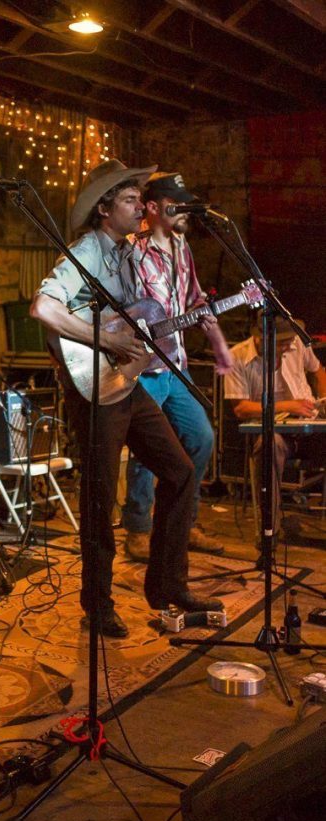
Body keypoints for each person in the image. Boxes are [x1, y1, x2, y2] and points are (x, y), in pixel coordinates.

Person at [30, 159, 223, 640]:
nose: (141, 204)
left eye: (141, 198)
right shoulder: (88, 249)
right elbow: (44, 307)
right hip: (94, 391)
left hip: (125, 384)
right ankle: (97, 604)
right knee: (99, 498)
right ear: (103, 208)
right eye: (131, 199)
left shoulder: (123, 254)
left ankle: (167, 586)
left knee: (180, 470)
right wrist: (106, 341)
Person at [121, 172, 233, 562]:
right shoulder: (132, 249)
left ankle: (184, 521)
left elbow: (196, 301)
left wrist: (219, 345)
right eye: (176, 203)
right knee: (145, 450)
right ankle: (137, 528)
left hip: (176, 364)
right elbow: (119, 304)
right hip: (142, 366)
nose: (183, 210)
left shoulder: (182, 247)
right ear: (153, 208)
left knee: (201, 437)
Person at [225, 314, 326, 537]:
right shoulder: (236, 357)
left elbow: (318, 371)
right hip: (277, 432)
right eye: (282, 343)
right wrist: (287, 406)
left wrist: (323, 398)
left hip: (310, 423)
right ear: (262, 338)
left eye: (289, 341)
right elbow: (241, 408)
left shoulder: (296, 342)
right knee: (269, 446)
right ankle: (270, 530)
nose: (288, 346)